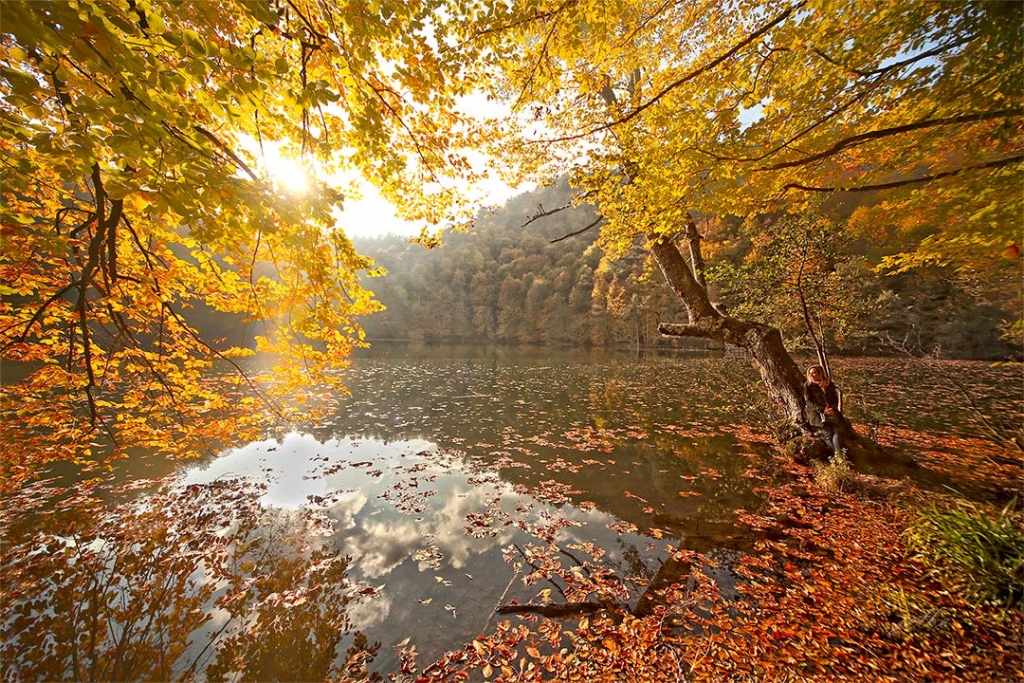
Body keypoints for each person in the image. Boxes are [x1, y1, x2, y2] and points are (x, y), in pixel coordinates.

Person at [804, 364, 849, 454]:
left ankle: (838, 455)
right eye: (810, 373)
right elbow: (808, 401)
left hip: (832, 411)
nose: (812, 375)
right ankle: (838, 457)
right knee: (828, 434)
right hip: (817, 413)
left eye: (814, 373)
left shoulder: (829, 384)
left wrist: (831, 408)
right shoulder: (808, 385)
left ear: (820, 373)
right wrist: (823, 410)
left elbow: (835, 399)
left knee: (837, 432)